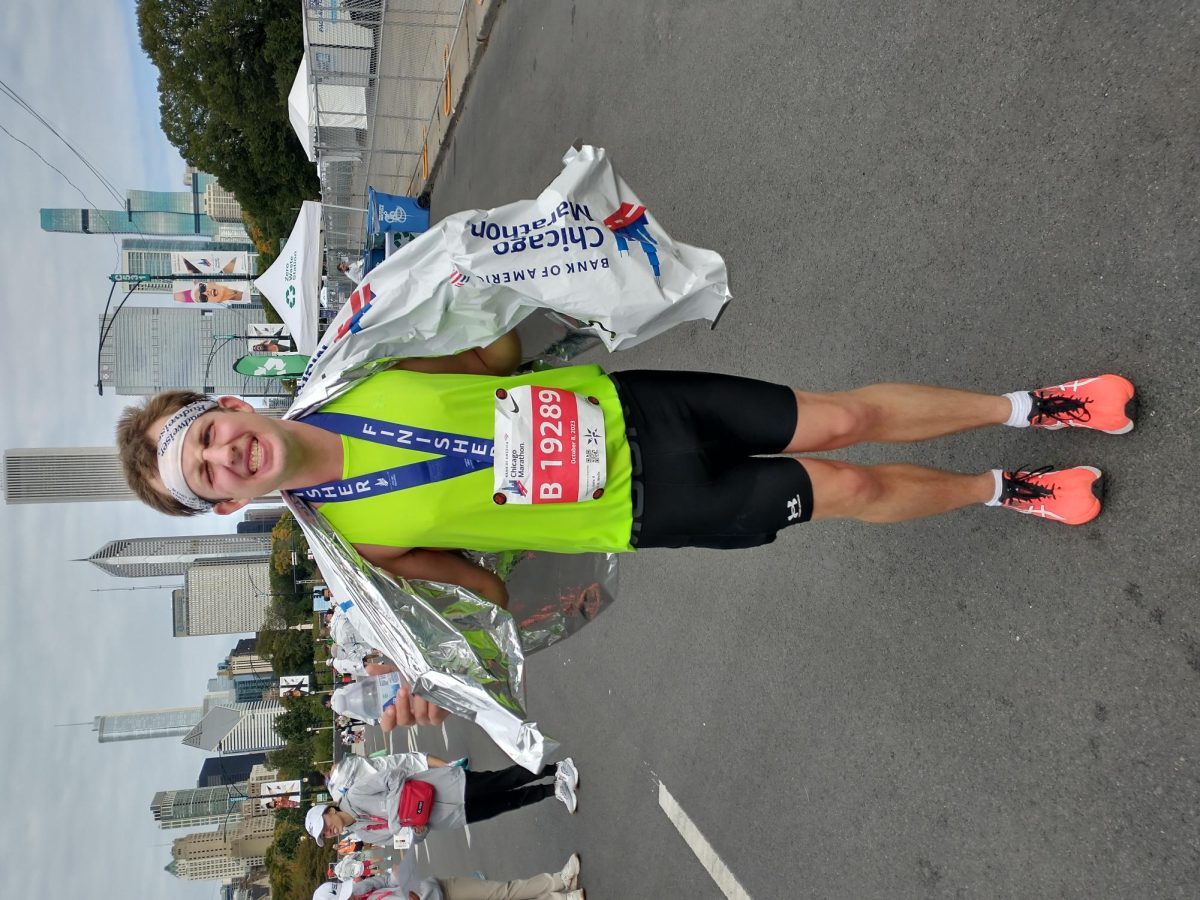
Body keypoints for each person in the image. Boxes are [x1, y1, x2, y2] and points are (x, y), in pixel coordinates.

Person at [117, 329, 1136, 616]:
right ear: (233, 503)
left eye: (206, 435)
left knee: (846, 418)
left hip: (641, 407)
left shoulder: (366, 367)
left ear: (231, 407)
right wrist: (496, 627)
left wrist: (535, 272)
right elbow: (478, 591)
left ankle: (1033, 405)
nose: (222, 457)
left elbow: (491, 357)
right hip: (650, 508)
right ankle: (1009, 490)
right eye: (208, 478)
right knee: (852, 490)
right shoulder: (361, 546)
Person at [304, 752, 580, 848]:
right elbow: (402, 840)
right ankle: (552, 791)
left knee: (503, 780)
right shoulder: (364, 834)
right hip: (447, 817)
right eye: (325, 835)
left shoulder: (355, 794)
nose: (329, 832)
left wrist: (394, 817)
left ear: (329, 810)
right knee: (507, 803)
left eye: (325, 825)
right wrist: (418, 833)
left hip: (446, 788)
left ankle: (556, 768)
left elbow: (395, 777)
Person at [312, 850, 584, 900]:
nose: (352, 897)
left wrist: (397, 875)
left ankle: (559, 880)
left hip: (439, 888)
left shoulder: (359, 892)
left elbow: (383, 881)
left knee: (502, 891)